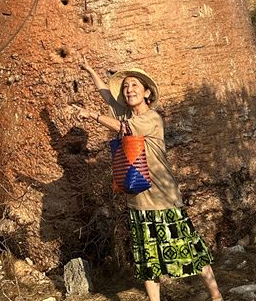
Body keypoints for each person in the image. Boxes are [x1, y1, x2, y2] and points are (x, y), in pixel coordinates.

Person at [76, 58, 223, 301]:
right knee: (148, 259)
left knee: (190, 250)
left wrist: (92, 115)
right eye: (125, 87)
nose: (129, 90)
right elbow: (107, 97)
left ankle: (216, 297)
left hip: (163, 199)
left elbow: (124, 129)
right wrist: (90, 70)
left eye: (134, 85)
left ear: (147, 93)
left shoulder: (151, 118)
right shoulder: (126, 113)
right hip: (138, 201)